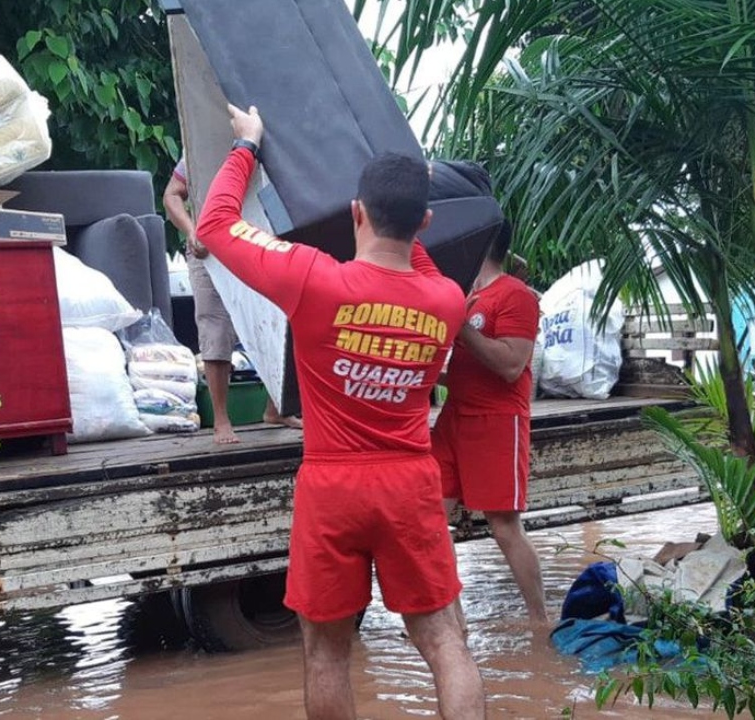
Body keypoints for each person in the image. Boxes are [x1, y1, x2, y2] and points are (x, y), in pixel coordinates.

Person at [195, 104, 485, 720]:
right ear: (425, 222)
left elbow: (215, 225)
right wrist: (411, 208)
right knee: (444, 643)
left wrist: (247, 145)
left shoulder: (312, 279)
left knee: (327, 654)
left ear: (356, 213)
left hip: (332, 487)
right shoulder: (447, 301)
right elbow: (418, 258)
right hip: (411, 485)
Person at [432, 220, 548, 628]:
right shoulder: (469, 295)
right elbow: (464, 368)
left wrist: (461, 326)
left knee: (503, 527)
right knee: (429, 519)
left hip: (496, 422)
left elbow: (511, 365)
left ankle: (539, 620)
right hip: (453, 419)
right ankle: (453, 619)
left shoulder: (516, 295)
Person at [162, 154, 301, 443]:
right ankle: (221, 420)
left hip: (255, 242)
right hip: (208, 248)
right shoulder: (198, 148)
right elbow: (171, 195)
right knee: (215, 328)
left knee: (279, 321)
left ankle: (277, 407)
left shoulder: (269, 147)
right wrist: (191, 231)